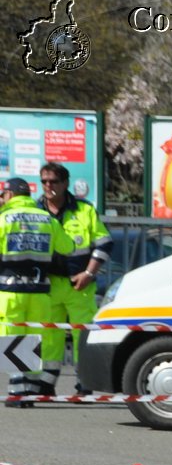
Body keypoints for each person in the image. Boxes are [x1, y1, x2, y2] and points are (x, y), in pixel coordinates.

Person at [37, 161, 111, 392]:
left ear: (65, 183)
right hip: (47, 285)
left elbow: (105, 243)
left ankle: (85, 383)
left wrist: (89, 273)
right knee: (48, 334)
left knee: (82, 335)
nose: (49, 186)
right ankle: (44, 383)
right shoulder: (34, 210)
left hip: (79, 284)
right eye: (44, 181)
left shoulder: (84, 210)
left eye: (54, 181)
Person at [1, 177, 72, 407]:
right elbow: (67, 247)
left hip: (11, 289)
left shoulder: (4, 219)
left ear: (10, 195)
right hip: (40, 289)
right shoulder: (47, 218)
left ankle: (17, 390)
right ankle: (30, 392)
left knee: (12, 335)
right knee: (33, 337)